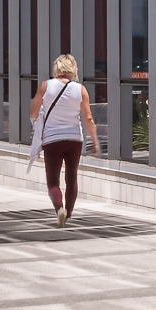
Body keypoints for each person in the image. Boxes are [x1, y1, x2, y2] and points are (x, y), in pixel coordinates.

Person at [30, 54, 98, 225]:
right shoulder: (81, 89)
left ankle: (59, 209)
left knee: (53, 180)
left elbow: (33, 112)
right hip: (74, 139)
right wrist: (95, 142)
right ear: (73, 69)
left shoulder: (45, 86)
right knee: (71, 177)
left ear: (57, 68)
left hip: (52, 139)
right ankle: (68, 213)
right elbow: (88, 118)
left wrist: (38, 121)